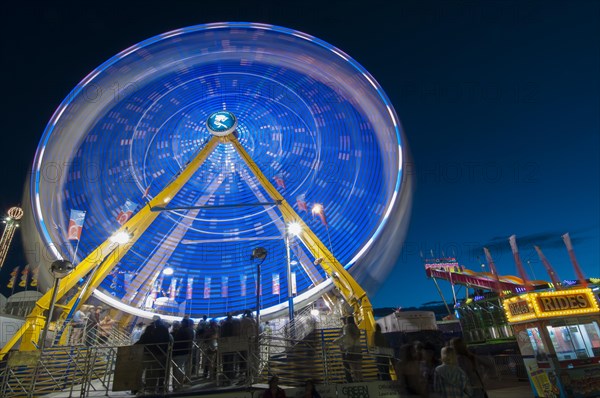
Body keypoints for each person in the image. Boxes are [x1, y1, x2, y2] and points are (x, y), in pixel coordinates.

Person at [136, 315, 172, 394]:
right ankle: (155, 387)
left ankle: (147, 387)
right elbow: (167, 341)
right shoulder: (164, 329)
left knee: (148, 371)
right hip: (159, 353)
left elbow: (143, 339)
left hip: (149, 352)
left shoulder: (150, 328)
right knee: (156, 371)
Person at [333, 316, 362, 382]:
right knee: (359, 369)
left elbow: (344, 336)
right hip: (358, 349)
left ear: (347, 320)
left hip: (350, 349)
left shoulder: (346, 327)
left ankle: (356, 382)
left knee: (353, 369)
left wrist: (336, 341)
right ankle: (361, 381)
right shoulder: (356, 328)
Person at [172, 317, 194, 390]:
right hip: (186, 351)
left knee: (178, 369)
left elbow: (176, 340)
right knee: (182, 368)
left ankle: (177, 384)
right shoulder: (190, 331)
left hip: (179, 351)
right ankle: (180, 383)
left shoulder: (181, 331)